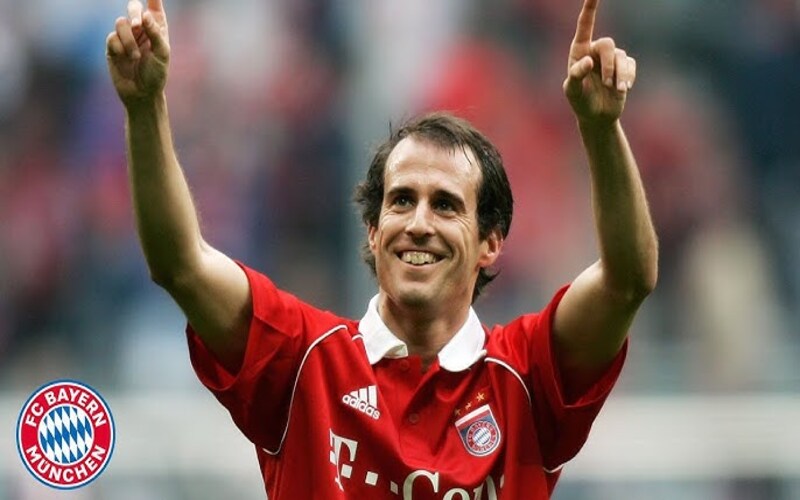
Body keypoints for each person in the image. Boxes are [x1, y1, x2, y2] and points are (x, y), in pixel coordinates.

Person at [106, 0, 657, 498]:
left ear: (490, 242)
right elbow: (181, 264)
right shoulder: (301, 359)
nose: (418, 224)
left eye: (445, 205)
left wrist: (600, 127)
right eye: (401, 201)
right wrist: (145, 104)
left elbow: (627, 281)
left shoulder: (527, 375)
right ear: (372, 230)